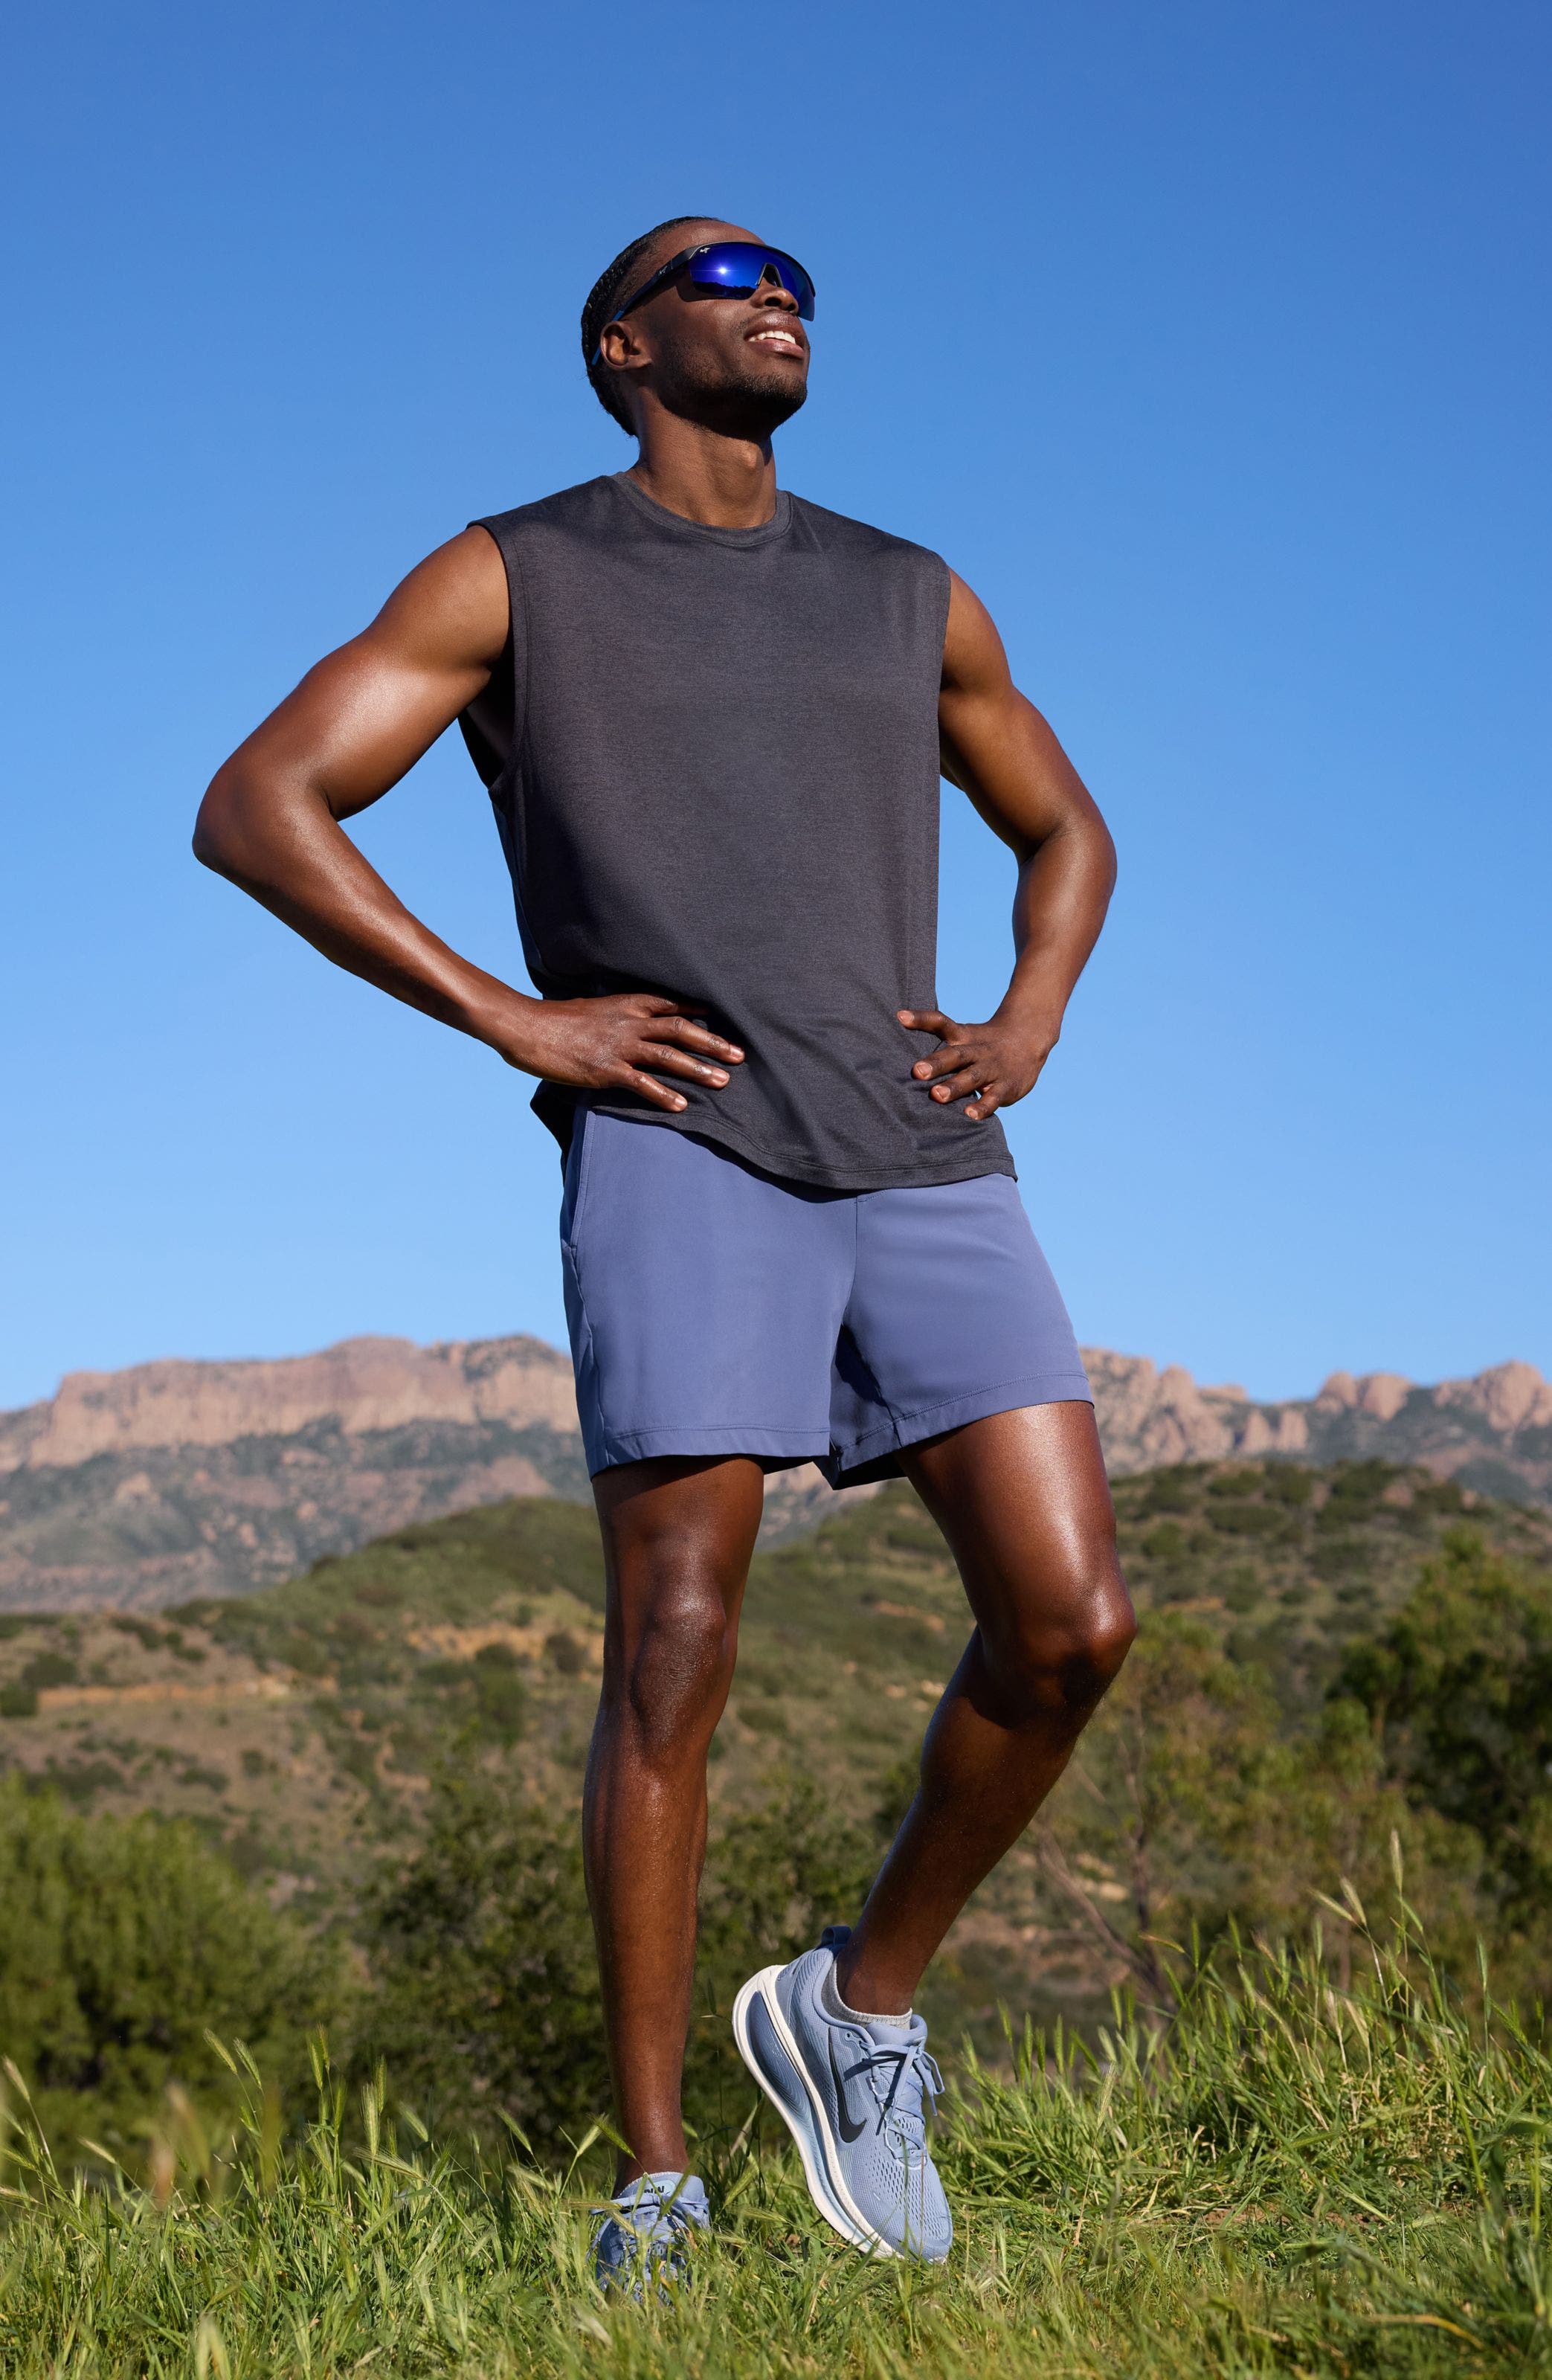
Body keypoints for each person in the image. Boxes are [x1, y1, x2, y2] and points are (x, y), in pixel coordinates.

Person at [194, 214, 1135, 2284]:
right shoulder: (515, 572)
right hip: (681, 1142)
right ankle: (656, 2182)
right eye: (725, 273)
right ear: (627, 344)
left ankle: (855, 2007)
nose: (776, 290)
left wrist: (1029, 1018)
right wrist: (512, 1015)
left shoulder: (911, 591)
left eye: (795, 272)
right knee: (678, 1649)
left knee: (1072, 1623)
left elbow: (1068, 830)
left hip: (921, 1148)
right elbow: (262, 802)